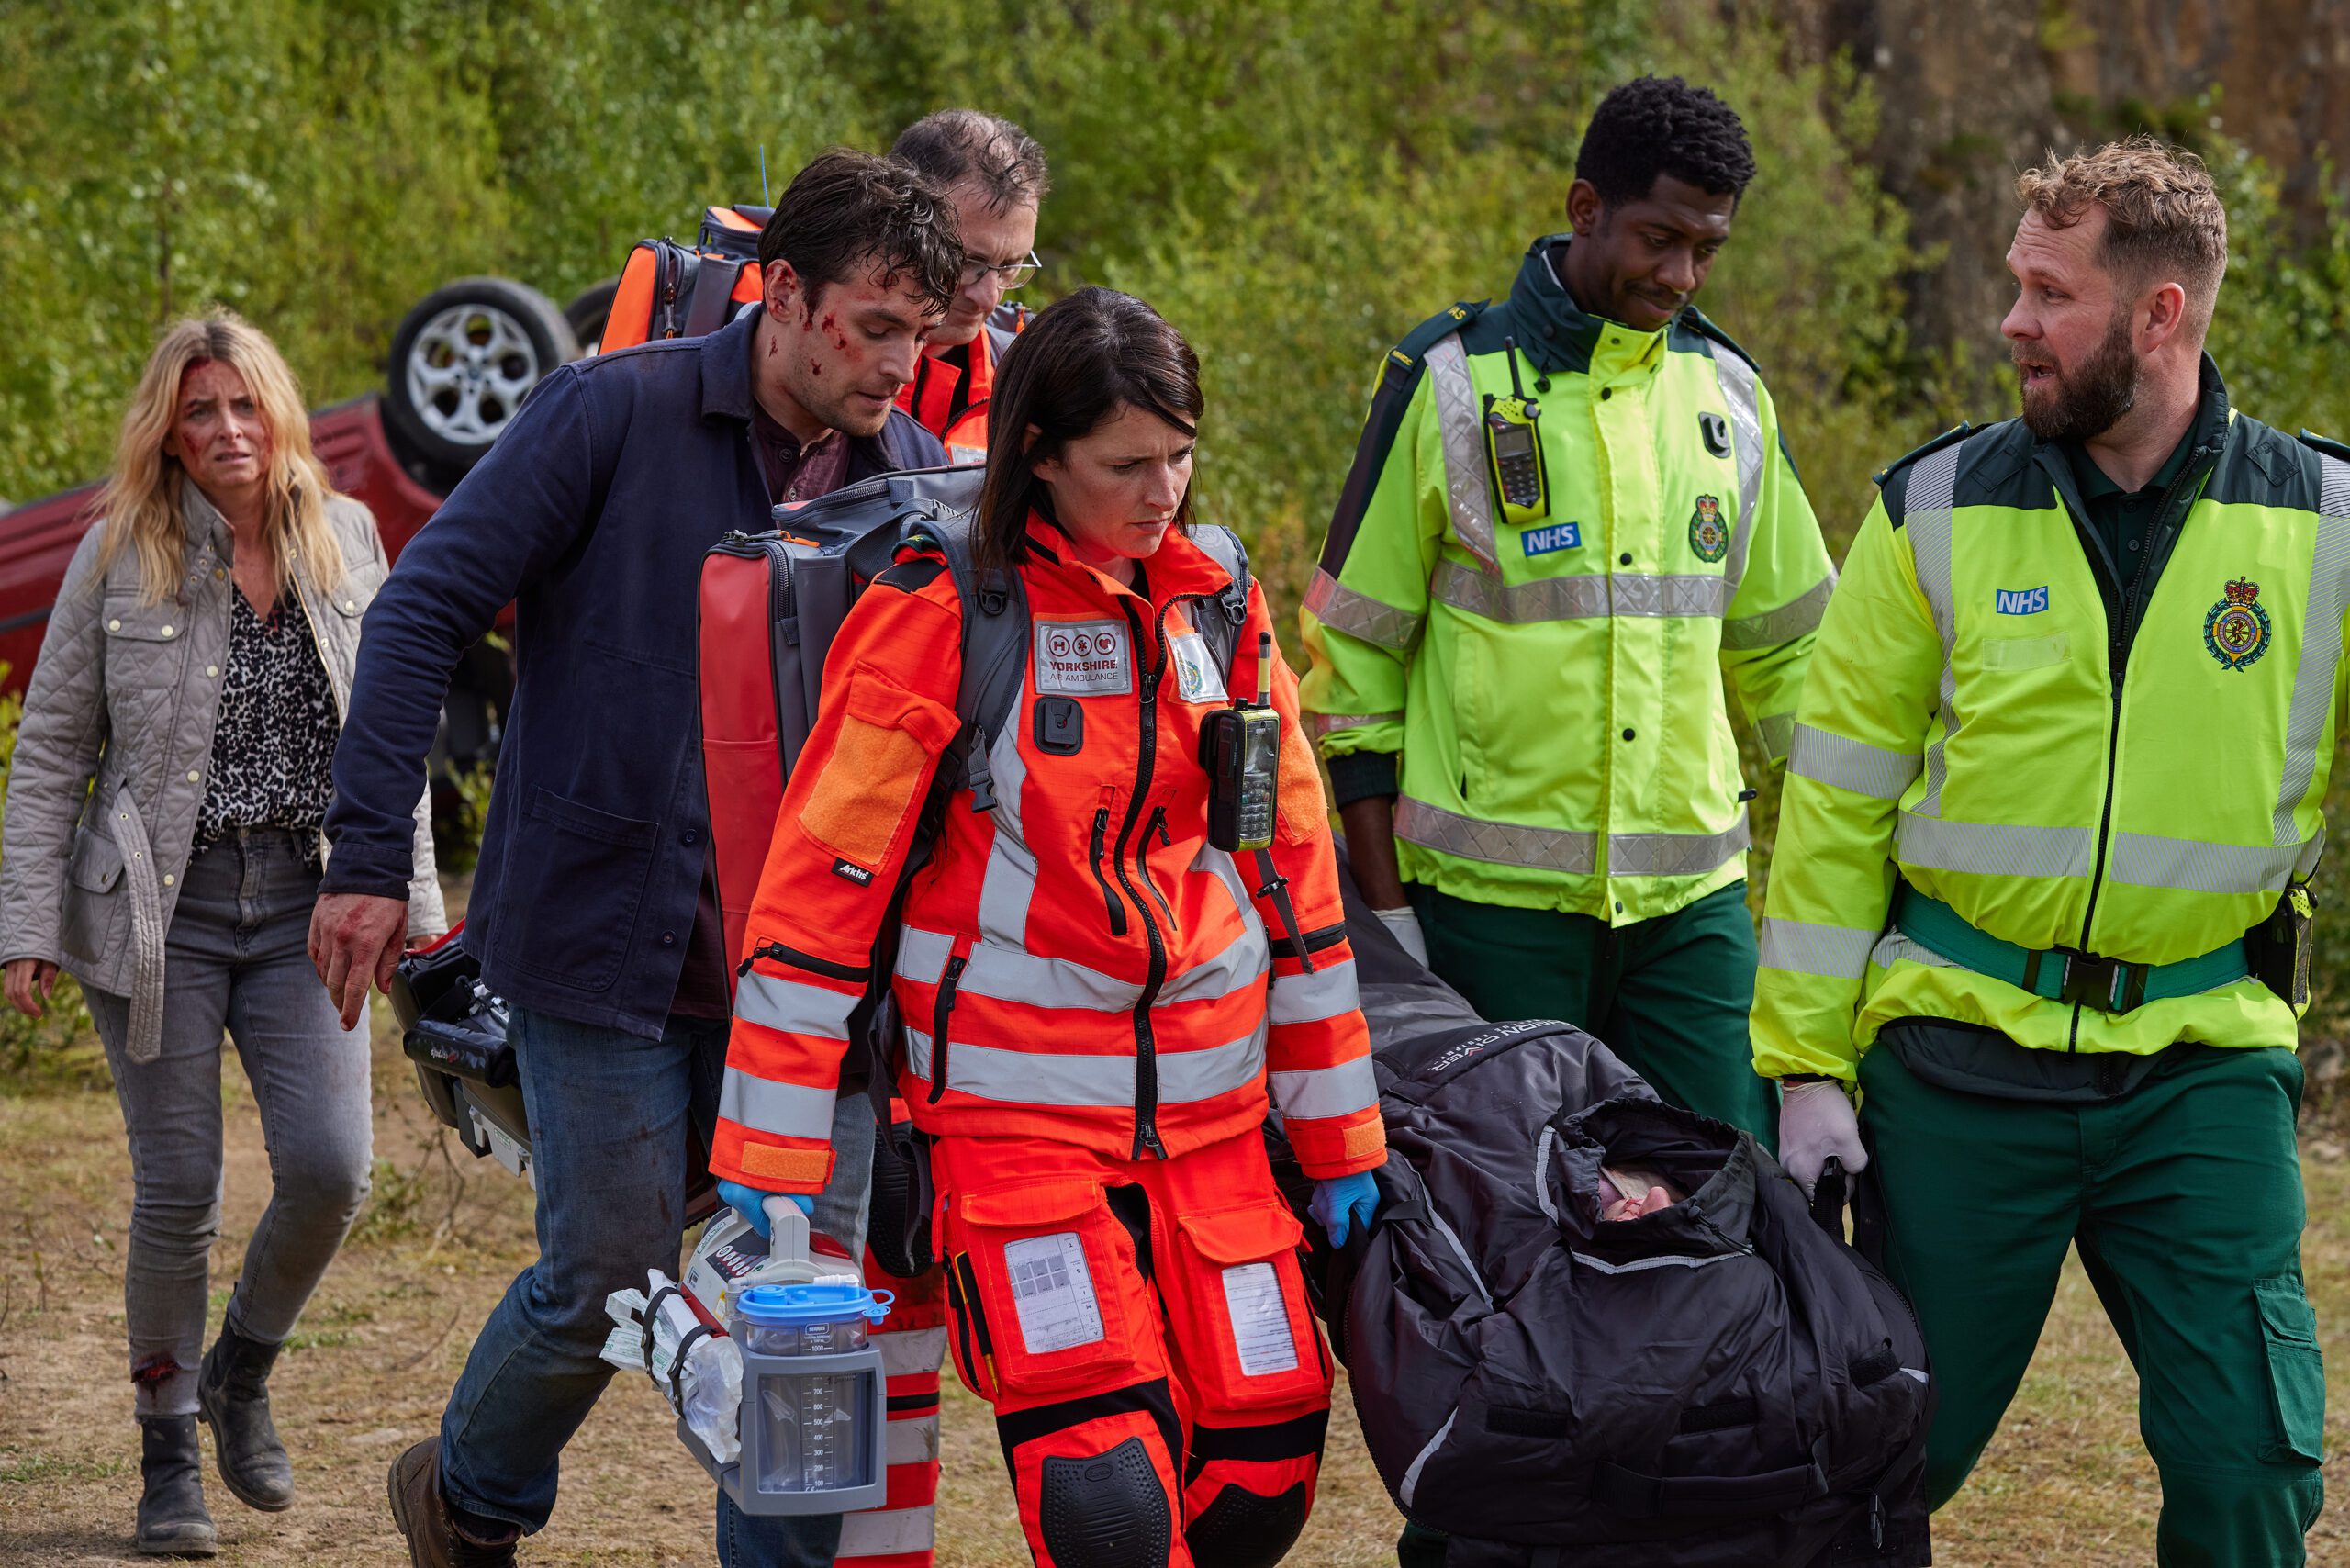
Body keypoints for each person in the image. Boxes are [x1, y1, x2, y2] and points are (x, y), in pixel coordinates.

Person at [309, 151, 957, 1568]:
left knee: (798, 1309)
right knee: (606, 1277)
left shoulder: (916, 486)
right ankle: (467, 1495)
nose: (904, 366)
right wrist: (367, 858)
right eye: (879, 325)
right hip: (600, 944)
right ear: (783, 294)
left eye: (925, 334)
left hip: (808, 987)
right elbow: (418, 614)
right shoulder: (613, 413)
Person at [711, 286, 1386, 1568]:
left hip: (1216, 1129)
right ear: (1040, 454)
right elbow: (823, 879)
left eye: (1182, 453)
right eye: (1128, 464)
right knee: (1106, 1498)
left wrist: (1340, 1131)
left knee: (1262, 1477)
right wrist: (777, 1139)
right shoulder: (946, 609)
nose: (1164, 491)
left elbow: (1293, 877)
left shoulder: (1221, 610)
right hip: (1013, 1134)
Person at [1754, 138, 2330, 1564]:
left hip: (2202, 1067)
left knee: (2249, 1460)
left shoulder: (2321, 527)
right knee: (1869, 1460)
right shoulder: (1930, 512)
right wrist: (1808, 1071)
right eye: (2015, 284)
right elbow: (1834, 809)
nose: (2010, 320)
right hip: (1956, 1069)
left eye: (2047, 292)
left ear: (2159, 317)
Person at [1300, 75, 1830, 1147]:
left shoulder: (1729, 399)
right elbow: (1352, 671)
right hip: (1488, 918)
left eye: (1707, 249)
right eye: (1657, 239)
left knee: (1733, 1198)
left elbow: (1795, 657)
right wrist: (1391, 920)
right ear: (1586, 209)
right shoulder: (1445, 382)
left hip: (1692, 915)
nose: (1680, 274)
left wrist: (1840, 890)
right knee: (1510, 1221)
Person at [0, 312, 444, 1556]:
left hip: (307, 903)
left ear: (279, 411)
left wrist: (413, 904)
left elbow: (391, 736)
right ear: (171, 435)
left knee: (330, 1169)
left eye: (244, 405)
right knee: (179, 1185)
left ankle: (242, 1367)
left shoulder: (348, 536)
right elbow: (51, 756)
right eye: (201, 413)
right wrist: (26, 923)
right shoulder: (115, 552)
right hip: (160, 912)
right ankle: (165, 1455)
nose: (227, 430)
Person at [890, 108, 1047, 461]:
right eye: (967, 262)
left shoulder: (1027, 379)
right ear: (893, 221)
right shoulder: (813, 352)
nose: (988, 298)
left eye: (1009, 266)